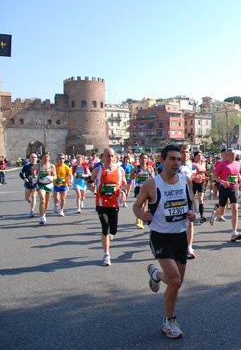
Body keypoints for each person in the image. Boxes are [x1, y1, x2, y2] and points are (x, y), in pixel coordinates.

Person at [133, 145, 196, 339]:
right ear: (162, 161)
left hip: (180, 237)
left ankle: (156, 274)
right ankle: (169, 321)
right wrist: (141, 215)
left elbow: (191, 201)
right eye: (172, 159)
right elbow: (136, 205)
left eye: (178, 159)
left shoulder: (186, 181)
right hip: (160, 236)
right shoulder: (152, 183)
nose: (177, 162)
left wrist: (192, 211)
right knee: (175, 280)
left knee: (177, 283)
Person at [87, 148, 126, 266]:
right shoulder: (97, 170)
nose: (110, 158)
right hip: (101, 204)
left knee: (113, 230)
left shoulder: (120, 170)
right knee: (105, 227)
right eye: (107, 156)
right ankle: (106, 255)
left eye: (111, 156)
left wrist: (123, 191)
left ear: (114, 157)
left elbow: (123, 183)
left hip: (114, 203)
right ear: (102, 157)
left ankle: (109, 235)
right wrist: (92, 188)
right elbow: (89, 182)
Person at [210, 148, 241, 242]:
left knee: (235, 209)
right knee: (222, 211)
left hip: (234, 188)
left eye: (235, 154)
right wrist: (222, 182)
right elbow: (214, 175)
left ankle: (234, 232)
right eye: (232, 154)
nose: (234, 156)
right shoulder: (222, 164)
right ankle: (215, 213)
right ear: (227, 155)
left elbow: (237, 174)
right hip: (224, 188)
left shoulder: (237, 163)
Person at [33, 152, 56, 225]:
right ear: (42, 158)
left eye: (47, 157)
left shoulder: (52, 166)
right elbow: (33, 170)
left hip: (48, 184)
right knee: (42, 199)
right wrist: (34, 178)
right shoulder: (38, 165)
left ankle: (44, 213)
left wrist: (52, 178)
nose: (46, 158)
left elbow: (55, 176)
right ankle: (41, 217)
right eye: (45, 157)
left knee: (47, 201)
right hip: (41, 184)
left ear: (49, 158)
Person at [191, 151, 207, 223]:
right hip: (194, 182)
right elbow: (192, 174)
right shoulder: (193, 164)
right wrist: (196, 176)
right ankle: (190, 213)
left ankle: (201, 216)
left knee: (200, 199)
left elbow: (204, 172)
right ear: (195, 157)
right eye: (198, 155)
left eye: (201, 155)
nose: (200, 157)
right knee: (192, 199)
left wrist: (205, 177)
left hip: (201, 182)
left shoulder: (204, 163)